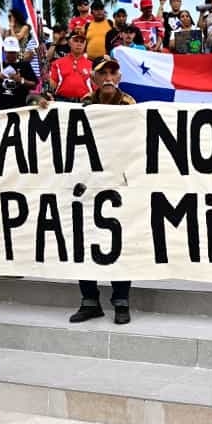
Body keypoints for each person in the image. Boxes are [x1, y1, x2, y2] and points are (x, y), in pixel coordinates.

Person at [68, 57, 133, 325]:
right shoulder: (84, 102)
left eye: (112, 72)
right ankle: (89, 300)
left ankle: (121, 300)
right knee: (85, 239)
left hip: (120, 181)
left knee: (119, 240)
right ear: (94, 78)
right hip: (87, 183)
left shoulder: (130, 104)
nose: (108, 77)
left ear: (119, 77)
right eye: (102, 73)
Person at [0, 38, 38, 110]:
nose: (11, 54)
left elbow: (34, 85)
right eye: (9, 52)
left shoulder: (25, 65)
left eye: (13, 52)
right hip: (1, 108)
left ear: (17, 51)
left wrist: (21, 80)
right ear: (4, 50)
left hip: (21, 108)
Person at [48, 32, 92, 102]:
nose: (79, 44)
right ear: (69, 43)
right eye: (76, 41)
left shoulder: (91, 65)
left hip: (84, 102)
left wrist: (91, 95)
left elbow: (96, 88)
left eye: (82, 42)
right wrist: (49, 94)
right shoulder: (57, 63)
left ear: (85, 45)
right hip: (62, 101)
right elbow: (52, 85)